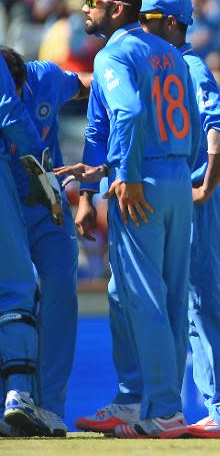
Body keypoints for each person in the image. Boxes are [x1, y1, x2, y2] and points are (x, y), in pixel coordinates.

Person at [55, 0, 200, 439]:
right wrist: (88, 195)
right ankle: (135, 400)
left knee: (142, 298)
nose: (84, 9)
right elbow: (100, 129)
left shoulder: (115, 54)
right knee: (154, 296)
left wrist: (130, 175)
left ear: (117, 8)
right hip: (176, 179)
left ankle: (161, 410)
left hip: (141, 183)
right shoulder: (170, 53)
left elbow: (129, 113)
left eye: (92, 2)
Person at [137, 0, 220, 439]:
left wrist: (208, 183)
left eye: (146, 21)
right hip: (179, 193)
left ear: (170, 23)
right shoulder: (166, 65)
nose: (138, 31)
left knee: (204, 300)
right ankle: (214, 407)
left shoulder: (186, 65)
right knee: (187, 307)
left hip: (193, 195)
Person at [0, 46, 89, 437]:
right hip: (11, 200)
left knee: (59, 297)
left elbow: (86, 86)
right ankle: (15, 399)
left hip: (47, 204)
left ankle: (49, 407)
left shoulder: (47, 77)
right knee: (15, 294)